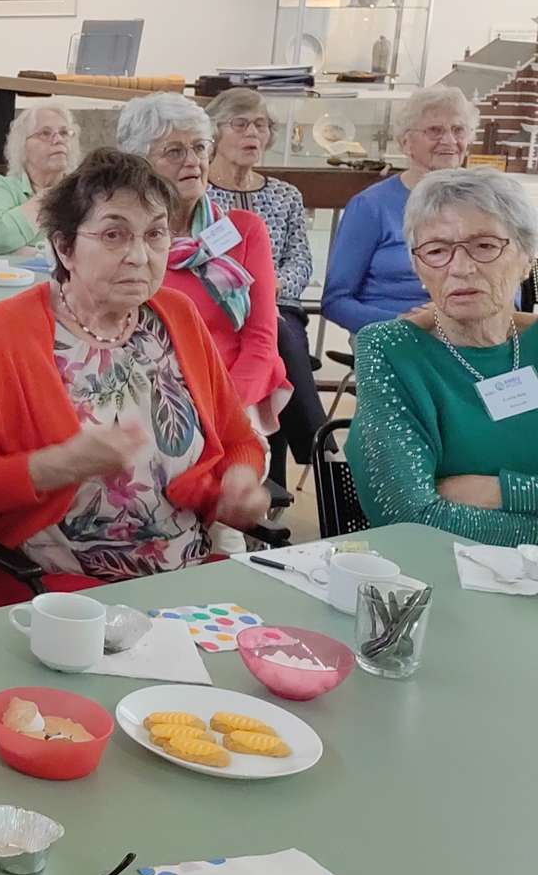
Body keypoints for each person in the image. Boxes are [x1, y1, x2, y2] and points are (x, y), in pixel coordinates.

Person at [0, 150, 272, 614]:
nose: (139, 256)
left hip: (187, 581)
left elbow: (238, 439)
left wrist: (240, 481)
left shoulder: (177, 317)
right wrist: (58, 466)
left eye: (155, 234)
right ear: (64, 248)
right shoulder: (7, 332)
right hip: (54, 594)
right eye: (113, 235)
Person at [348, 169, 538, 545]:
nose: (460, 268)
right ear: (417, 267)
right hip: (439, 574)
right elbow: (408, 518)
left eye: (485, 246)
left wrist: (504, 491)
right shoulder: (390, 351)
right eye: (436, 251)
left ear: (526, 259)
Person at [118, 92, 289, 435]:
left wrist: (222, 411)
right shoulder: (127, 240)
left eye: (199, 147)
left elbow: (261, 342)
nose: (193, 161)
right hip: (147, 402)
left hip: (231, 399)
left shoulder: (244, 230)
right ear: (140, 163)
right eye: (174, 151)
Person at [204, 86, 327, 468]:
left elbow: (301, 260)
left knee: (277, 332)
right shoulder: (199, 193)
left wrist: (269, 290)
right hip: (220, 306)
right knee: (279, 343)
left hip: (279, 304)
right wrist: (251, 293)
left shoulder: (285, 195)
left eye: (260, 125)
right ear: (214, 132)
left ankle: (287, 465)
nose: (253, 133)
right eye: (240, 124)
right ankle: (318, 447)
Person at [323, 85, 479, 334]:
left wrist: (458, 317)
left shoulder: (485, 204)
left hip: (470, 329)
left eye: (458, 130)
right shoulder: (370, 206)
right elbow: (335, 301)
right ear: (406, 143)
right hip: (392, 332)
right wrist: (405, 323)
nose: (450, 140)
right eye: (435, 131)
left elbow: (509, 290)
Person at [0, 103, 78, 257]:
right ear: (22, 146)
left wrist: (24, 252)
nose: (58, 139)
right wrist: (47, 198)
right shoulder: (0, 186)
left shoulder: (81, 192)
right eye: (45, 133)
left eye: (64, 132)